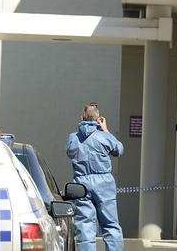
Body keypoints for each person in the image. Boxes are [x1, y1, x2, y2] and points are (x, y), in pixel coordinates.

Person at [66, 103, 124, 251]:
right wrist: (105, 130)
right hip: (104, 181)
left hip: (81, 183)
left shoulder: (73, 138)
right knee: (110, 224)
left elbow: (70, 153)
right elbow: (119, 150)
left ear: (81, 118)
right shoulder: (104, 136)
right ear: (99, 118)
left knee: (84, 225)